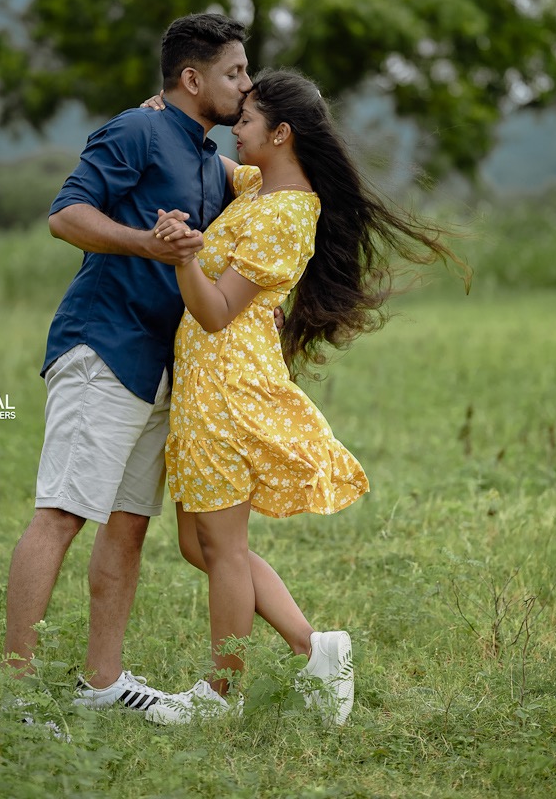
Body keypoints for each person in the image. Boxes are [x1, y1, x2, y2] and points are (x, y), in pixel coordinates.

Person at [143, 68, 464, 725]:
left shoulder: (287, 214)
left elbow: (215, 313)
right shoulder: (263, 187)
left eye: (247, 120)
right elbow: (218, 163)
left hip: (224, 387)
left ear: (281, 132)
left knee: (223, 549)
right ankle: (313, 647)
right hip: (210, 382)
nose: (236, 126)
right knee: (197, 545)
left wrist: (183, 258)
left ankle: (217, 698)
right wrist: (168, 117)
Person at [1, 12, 253, 715]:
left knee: (128, 522)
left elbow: (280, 175)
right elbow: (65, 215)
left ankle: (101, 683)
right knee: (60, 514)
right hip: (103, 347)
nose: (245, 83)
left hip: (159, 367)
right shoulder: (137, 130)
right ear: (191, 77)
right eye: (234, 71)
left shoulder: (211, 160)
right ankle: (12, 696)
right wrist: (148, 244)